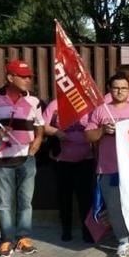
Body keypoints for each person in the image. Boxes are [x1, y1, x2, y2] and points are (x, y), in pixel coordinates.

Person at [0, 59, 44, 257]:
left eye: (29, 76)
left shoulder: (34, 101)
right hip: (1, 158)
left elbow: (39, 124)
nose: (28, 80)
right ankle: (6, 239)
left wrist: (39, 139)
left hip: (27, 157)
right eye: (23, 76)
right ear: (10, 78)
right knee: (4, 203)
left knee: (26, 201)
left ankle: (23, 238)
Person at [85, 73, 129, 257]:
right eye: (116, 87)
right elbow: (89, 136)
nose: (120, 91)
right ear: (110, 88)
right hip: (109, 167)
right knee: (115, 207)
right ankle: (123, 241)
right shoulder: (101, 111)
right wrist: (102, 130)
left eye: (124, 88)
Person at [43, 98, 95, 242]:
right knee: (64, 197)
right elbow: (42, 125)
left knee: (85, 198)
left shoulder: (89, 104)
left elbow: (97, 125)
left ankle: (87, 231)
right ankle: (66, 230)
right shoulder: (56, 104)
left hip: (86, 159)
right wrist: (56, 131)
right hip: (62, 160)